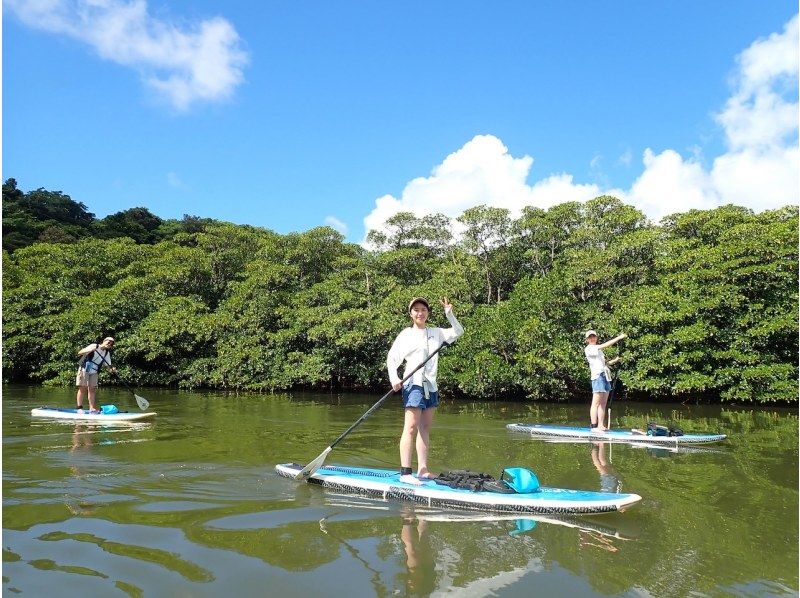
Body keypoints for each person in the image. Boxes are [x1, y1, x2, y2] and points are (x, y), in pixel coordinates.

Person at [387, 297, 464, 485]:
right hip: (413, 384)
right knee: (411, 427)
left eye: (423, 309)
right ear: (410, 314)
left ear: (428, 313)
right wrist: (394, 379)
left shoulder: (436, 333)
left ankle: (422, 470)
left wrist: (449, 314)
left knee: (425, 428)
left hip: (431, 386)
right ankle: (405, 473)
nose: (420, 313)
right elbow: (392, 358)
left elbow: (459, 331)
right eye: (416, 310)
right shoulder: (406, 334)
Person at [584, 330, 626, 431]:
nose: (592, 338)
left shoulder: (598, 350)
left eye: (594, 336)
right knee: (596, 403)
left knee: (603, 403)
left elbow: (604, 363)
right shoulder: (589, 348)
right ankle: (594, 426)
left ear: (596, 337)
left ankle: (601, 425)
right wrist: (619, 337)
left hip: (605, 376)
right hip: (598, 377)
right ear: (587, 340)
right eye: (590, 337)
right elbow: (606, 345)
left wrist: (615, 360)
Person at [75, 336, 117, 413]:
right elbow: (80, 352)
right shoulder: (94, 346)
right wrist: (90, 350)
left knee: (92, 389)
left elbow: (108, 365)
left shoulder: (106, 353)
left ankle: (91, 408)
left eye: (111, 344)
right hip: (85, 369)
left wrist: (112, 369)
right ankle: (79, 408)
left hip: (94, 371)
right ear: (104, 341)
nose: (109, 344)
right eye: (109, 342)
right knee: (82, 388)